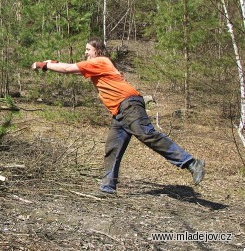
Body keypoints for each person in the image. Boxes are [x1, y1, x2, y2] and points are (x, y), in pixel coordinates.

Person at [32, 38, 205, 194]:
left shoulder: (100, 61)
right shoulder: (96, 66)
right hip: (119, 111)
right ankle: (107, 187)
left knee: (147, 135)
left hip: (128, 104)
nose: (85, 52)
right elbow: (74, 69)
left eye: (88, 49)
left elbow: (69, 68)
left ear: (97, 51)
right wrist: (52, 63)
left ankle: (191, 163)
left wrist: (44, 65)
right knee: (113, 148)